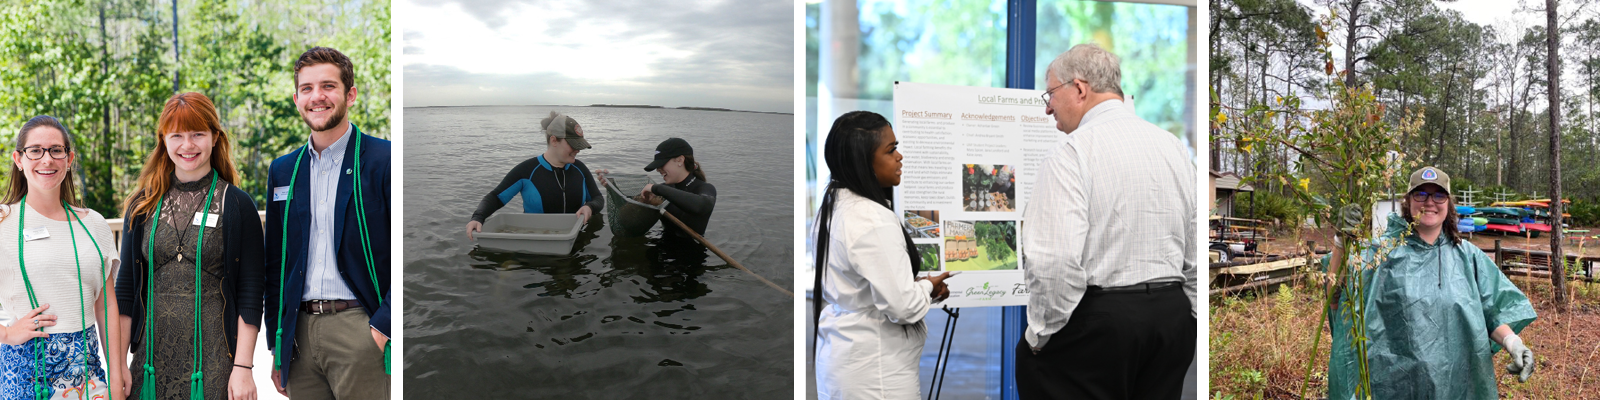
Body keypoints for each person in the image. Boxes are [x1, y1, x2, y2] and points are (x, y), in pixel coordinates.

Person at [1018, 43, 1197, 399]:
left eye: (1050, 93)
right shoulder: (1173, 147)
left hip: (1097, 328)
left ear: (1080, 88)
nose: (1048, 107)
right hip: (1170, 322)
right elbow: (1193, 245)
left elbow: (1053, 263)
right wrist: (1187, 313)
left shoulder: (1071, 153)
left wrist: (1040, 335)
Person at [1323, 166, 1536, 399]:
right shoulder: (1381, 253)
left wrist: (1513, 342)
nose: (1430, 202)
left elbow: (1491, 312)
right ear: (1408, 201)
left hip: (1455, 384)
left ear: (1449, 203)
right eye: (1421, 194)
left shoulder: (1468, 257)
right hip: (1392, 384)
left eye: (1439, 195)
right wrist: (1340, 243)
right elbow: (1336, 299)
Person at [115, 92, 265, 400]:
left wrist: (243, 367)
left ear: (214, 137)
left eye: (198, 134)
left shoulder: (237, 205)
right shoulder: (142, 206)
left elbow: (251, 291)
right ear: (163, 140)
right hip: (150, 364)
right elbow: (126, 291)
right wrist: (118, 366)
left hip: (215, 363)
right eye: (177, 135)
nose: (188, 145)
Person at [264, 46, 392, 400]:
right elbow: (276, 263)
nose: (316, 97)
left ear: (350, 95)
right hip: (298, 338)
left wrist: (384, 325)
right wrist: (278, 341)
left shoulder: (385, 160)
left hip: (360, 329)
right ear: (296, 98)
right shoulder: (282, 170)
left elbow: (408, 252)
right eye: (307, 88)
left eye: (328, 86)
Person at [811, 111, 952, 399]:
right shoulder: (872, 218)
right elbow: (903, 308)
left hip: (844, 360)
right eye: (891, 150)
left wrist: (916, 289)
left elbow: (866, 287)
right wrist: (927, 287)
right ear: (863, 161)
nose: (899, 157)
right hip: (875, 373)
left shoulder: (831, 207)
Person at [0, 116, 124, 399]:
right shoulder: (3, 221)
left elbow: (106, 306)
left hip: (89, 376)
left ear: (69, 159)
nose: (47, 159)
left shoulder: (93, 224)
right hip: (26, 378)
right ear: (18, 159)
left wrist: (116, 377)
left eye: (56, 150)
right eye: (36, 150)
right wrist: (7, 335)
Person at [465, 111, 604, 240]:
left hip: (574, 240)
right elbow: (496, 197)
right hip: (536, 241)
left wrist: (589, 207)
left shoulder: (580, 169)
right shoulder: (527, 170)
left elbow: (597, 198)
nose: (578, 150)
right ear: (554, 140)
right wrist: (478, 218)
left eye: (579, 145)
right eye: (573, 145)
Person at [639, 138, 715, 241]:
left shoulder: (705, 189)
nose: (658, 169)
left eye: (662, 164)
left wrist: (657, 188)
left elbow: (702, 206)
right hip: (660, 248)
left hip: (690, 253)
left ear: (680, 160)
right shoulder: (663, 190)